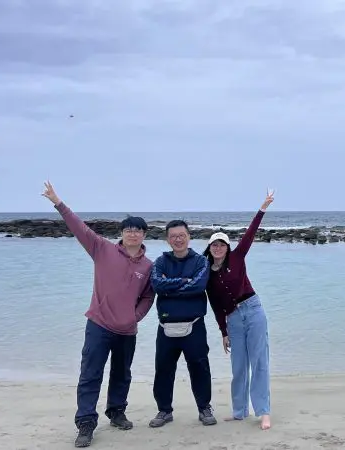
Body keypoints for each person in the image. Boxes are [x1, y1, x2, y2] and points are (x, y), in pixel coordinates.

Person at [40, 181, 155, 448]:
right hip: (99, 325)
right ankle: (86, 423)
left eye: (137, 230)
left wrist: (134, 317)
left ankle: (116, 412)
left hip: (127, 330)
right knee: (90, 374)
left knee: (121, 374)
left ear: (144, 235)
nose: (132, 234)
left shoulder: (149, 266)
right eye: (128, 230)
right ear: (122, 233)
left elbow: (149, 296)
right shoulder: (101, 249)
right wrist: (58, 202)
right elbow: (79, 228)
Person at [205, 189, 275, 430]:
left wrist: (262, 208)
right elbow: (215, 306)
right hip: (232, 318)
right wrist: (223, 331)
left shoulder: (238, 256)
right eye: (214, 244)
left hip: (253, 310)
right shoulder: (206, 274)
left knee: (259, 362)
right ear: (209, 248)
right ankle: (239, 411)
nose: (218, 247)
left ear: (227, 246)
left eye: (222, 244)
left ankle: (263, 412)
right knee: (238, 366)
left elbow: (251, 232)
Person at [148, 219, 216, 428]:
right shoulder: (160, 261)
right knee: (163, 369)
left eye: (182, 235)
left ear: (189, 236)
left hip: (194, 325)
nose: (178, 239)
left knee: (199, 367)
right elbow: (157, 284)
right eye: (173, 236)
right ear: (168, 240)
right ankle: (164, 410)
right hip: (166, 327)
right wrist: (183, 281)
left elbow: (198, 286)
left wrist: (173, 285)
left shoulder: (201, 261)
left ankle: (204, 408)